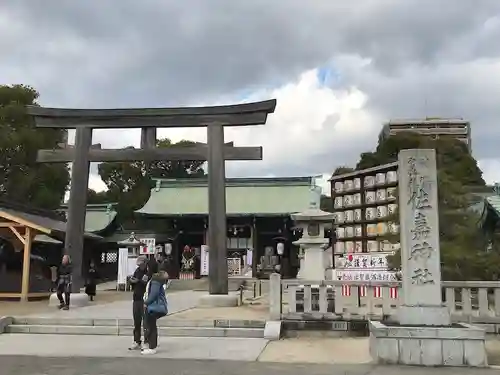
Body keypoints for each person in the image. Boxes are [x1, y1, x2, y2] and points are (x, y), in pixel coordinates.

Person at [142, 270, 168, 355]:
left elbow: (154, 294)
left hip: (152, 307)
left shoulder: (155, 282)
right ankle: (150, 344)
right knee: (151, 325)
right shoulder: (157, 281)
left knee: (151, 326)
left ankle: (152, 347)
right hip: (152, 307)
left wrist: (146, 303)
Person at [128, 255, 149, 351]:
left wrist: (137, 281)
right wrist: (132, 281)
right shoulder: (137, 271)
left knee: (145, 322)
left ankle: (146, 342)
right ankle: (136, 341)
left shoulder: (148, 271)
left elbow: (145, 282)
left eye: (141, 264)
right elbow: (133, 279)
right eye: (139, 264)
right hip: (136, 298)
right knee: (136, 321)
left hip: (144, 299)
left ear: (145, 263)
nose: (140, 266)